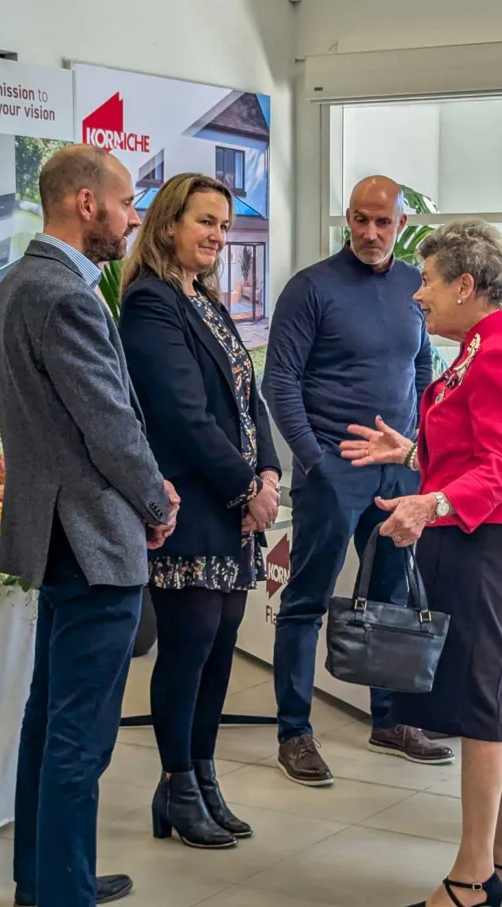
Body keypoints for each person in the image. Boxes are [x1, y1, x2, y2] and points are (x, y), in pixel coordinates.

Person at [0, 144, 188, 907]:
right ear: (83, 203)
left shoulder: (16, 282)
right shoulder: (62, 293)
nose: (133, 214)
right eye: (125, 200)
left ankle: (44, 877)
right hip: (92, 536)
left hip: (52, 531)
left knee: (48, 717)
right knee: (81, 735)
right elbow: (107, 420)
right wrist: (156, 498)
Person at [342, 220, 502, 907]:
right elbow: (478, 445)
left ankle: (470, 875)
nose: (417, 293)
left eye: (427, 280)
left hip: (484, 543)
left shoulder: (499, 354)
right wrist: (411, 449)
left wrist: (428, 503)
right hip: (481, 537)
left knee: (485, 707)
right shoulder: (482, 345)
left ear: (466, 285)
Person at [263, 175, 454, 787]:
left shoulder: (412, 286)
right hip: (332, 471)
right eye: (361, 220)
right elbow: (280, 382)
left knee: (390, 600)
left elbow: (421, 364)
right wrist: (315, 460)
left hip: (397, 468)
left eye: (384, 222)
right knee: (305, 602)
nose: (372, 233)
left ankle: (389, 719)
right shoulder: (311, 287)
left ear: (402, 223)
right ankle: (295, 731)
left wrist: (419, 444)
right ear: (348, 218)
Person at [118, 173, 281, 848]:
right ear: (168, 225)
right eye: (203, 222)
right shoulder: (151, 303)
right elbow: (183, 418)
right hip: (197, 504)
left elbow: (250, 399)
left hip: (236, 505)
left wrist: (268, 470)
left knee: (219, 651)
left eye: (222, 224)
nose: (216, 235)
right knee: (187, 651)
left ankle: (205, 777)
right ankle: (175, 783)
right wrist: (248, 490)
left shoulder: (206, 300)